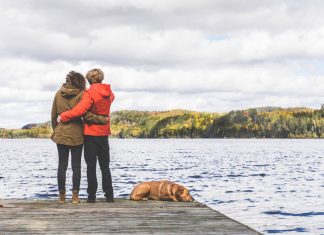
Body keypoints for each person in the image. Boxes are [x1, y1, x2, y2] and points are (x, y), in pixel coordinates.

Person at [58, 68, 115, 203]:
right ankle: (109, 195)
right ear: (101, 78)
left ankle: (91, 196)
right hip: (104, 134)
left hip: (90, 134)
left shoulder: (89, 93)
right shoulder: (109, 92)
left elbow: (80, 110)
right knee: (105, 166)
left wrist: (63, 116)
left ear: (89, 80)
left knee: (91, 167)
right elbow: (111, 100)